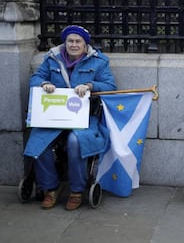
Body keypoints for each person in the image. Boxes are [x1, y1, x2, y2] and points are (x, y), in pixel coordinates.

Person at [24, 25, 117, 210]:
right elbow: (35, 78)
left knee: (76, 142)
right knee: (39, 142)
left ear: (85, 44)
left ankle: (76, 190)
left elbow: (110, 86)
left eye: (78, 41)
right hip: (54, 116)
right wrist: (44, 83)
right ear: (64, 43)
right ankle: (51, 188)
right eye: (70, 41)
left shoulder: (99, 61)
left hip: (84, 118)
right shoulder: (52, 59)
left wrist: (90, 85)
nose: (74, 45)